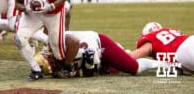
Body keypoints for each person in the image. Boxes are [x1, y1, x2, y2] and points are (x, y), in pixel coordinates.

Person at [7, 0, 71, 81]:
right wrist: (26, 8)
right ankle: (36, 70)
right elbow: (18, 2)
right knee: (20, 38)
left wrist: (51, 5)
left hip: (53, 11)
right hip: (34, 12)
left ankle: (65, 66)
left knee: (58, 52)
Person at [35, 30, 165, 78]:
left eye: (51, 63)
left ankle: (164, 63)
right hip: (96, 59)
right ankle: (123, 53)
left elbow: (73, 42)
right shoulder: (55, 68)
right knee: (114, 70)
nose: (54, 67)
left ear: (48, 54)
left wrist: (67, 64)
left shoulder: (56, 43)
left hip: (101, 45)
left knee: (133, 68)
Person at [129, 22, 194, 73]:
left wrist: (123, 55)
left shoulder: (151, 38)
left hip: (183, 50)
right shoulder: (171, 30)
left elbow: (132, 57)